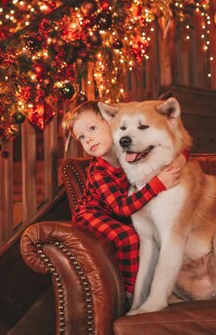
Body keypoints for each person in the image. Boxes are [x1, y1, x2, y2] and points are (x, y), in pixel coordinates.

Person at [63, 100, 187, 297]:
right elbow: (121, 208)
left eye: (93, 128)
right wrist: (158, 185)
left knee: (147, 236)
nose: (88, 140)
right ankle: (130, 293)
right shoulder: (98, 172)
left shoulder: (130, 152)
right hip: (92, 214)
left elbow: (178, 146)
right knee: (128, 237)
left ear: (111, 122)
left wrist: (180, 159)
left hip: (119, 211)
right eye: (82, 137)